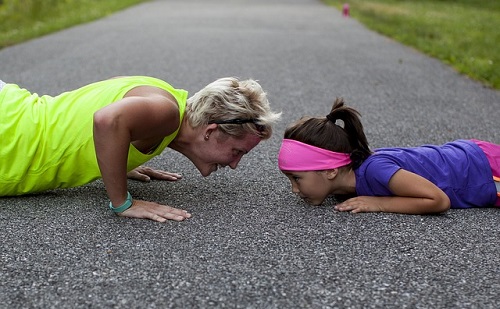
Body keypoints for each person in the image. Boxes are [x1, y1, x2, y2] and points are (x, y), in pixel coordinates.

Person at [0, 76, 281, 222]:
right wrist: (123, 202)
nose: (234, 164)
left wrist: (116, 158)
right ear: (211, 131)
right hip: (9, 135)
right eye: (237, 152)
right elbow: (107, 119)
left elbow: (93, 109)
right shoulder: (166, 112)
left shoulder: (166, 101)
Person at [278, 98, 500, 215]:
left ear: (330, 170)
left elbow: (438, 200)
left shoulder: (375, 170)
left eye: (297, 178)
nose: (294, 190)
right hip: (474, 158)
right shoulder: (347, 184)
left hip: (485, 170)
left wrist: (379, 204)